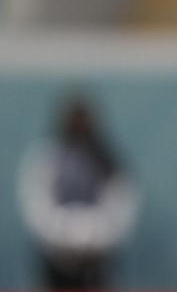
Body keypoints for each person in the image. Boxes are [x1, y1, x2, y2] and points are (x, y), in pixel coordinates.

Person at [18, 94, 139, 290]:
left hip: (99, 266)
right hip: (56, 265)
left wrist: (92, 236)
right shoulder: (48, 159)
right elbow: (38, 208)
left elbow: (120, 209)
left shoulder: (109, 161)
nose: (79, 126)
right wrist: (67, 234)